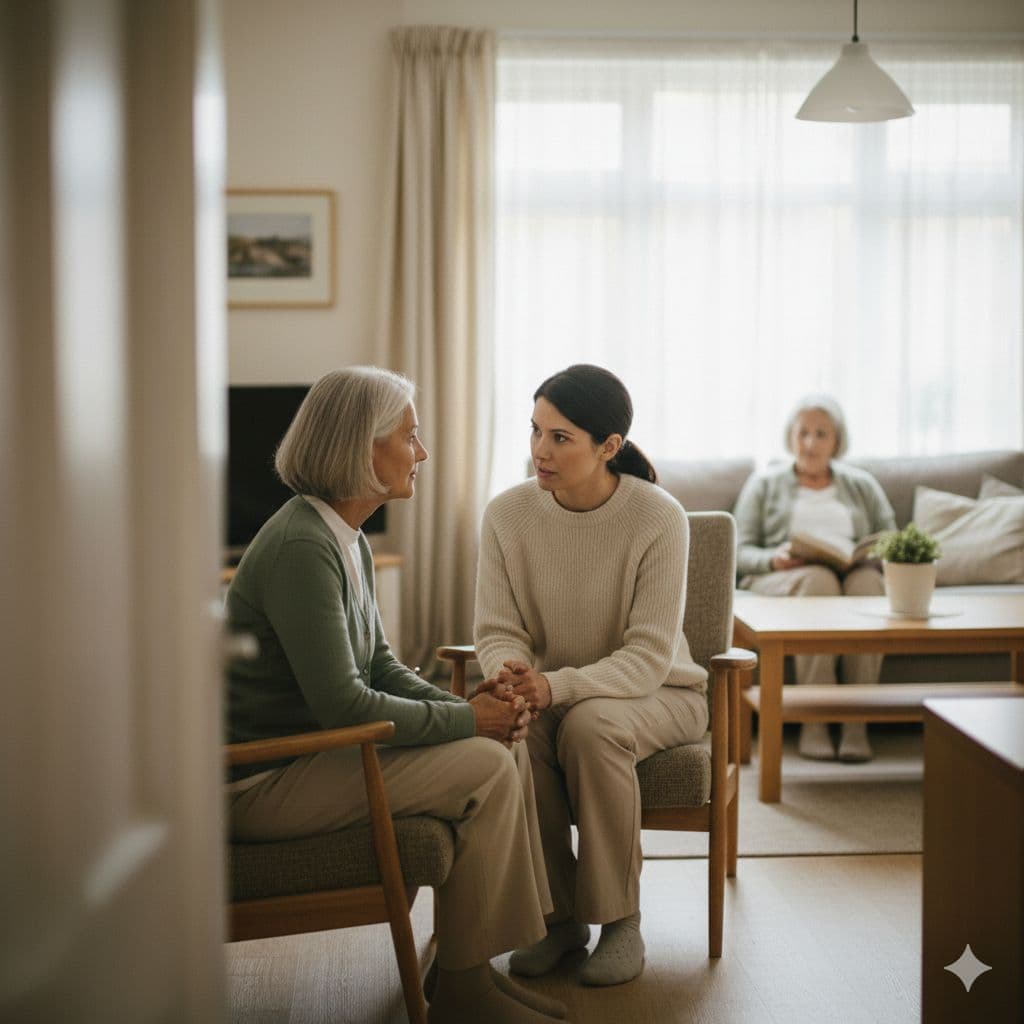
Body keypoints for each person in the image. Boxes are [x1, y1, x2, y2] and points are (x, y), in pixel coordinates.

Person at [225, 367, 566, 1024]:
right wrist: (467, 718)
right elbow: (346, 707)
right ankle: (468, 990)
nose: (422, 453)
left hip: (308, 759)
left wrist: (472, 711)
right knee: (488, 763)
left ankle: (468, 969)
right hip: (259, 779)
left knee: (500, 750)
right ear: (361, 445)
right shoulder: (302, 546)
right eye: (409, 437)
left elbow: (380, 665)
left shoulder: (341, 536)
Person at [473, 364, 709, 988]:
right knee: (523, 727)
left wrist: (555, 686)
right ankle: (558, 920)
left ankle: (620, 921)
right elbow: (497, 627)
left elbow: (650, 655)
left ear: (608, 447)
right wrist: (513, 676)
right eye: (535, 432)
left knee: (590, 724)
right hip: (557, 694)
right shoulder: (506, 514)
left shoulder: (659, 517)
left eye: (560, 438)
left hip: (663, 692)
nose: (539, 452)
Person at [732, 394, 896, 762]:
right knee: (820, 581)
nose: (810, 443)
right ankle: (815, 721)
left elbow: (891, 539)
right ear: (790, 437)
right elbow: (738, 550)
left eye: (821, 434)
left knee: (868, 586)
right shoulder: (764, 484)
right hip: (785, 579)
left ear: (837, 440)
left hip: (853, 576)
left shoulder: (862, 485)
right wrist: (773, 560)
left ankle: (857, 722)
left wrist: (870, 558)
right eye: (802, 432)